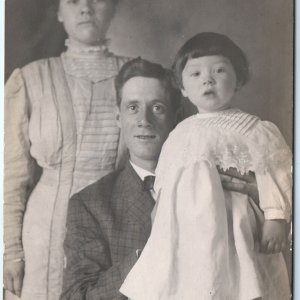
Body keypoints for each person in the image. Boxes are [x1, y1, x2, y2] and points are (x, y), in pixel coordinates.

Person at [61, 57, 261, 300]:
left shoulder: (224, 179)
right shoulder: (90, 204)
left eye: (157, 107)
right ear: (118, 118)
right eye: (132, 107)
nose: (144, 120)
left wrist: (265, 207)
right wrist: (152, 247)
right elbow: (77, 297)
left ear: (176, 118)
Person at [120, 32, 292, 300]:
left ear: (239, 80)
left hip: (234, 226)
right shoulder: (179, 133)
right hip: (186, 229)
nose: (208, 79)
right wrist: (158, 214)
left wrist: (276, 217)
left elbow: (275, 170)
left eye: (220, 70)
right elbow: (165, 176)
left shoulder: (253, 128)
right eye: (196, 74)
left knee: (240, 281)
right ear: (184, 89)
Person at [4, 0, 129, 299]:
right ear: (59, 12)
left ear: (113, 8)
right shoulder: (31, 78)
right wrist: (10, 252)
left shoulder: (139, 77)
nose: (85, 8)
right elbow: (10, 177)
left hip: (116, 229)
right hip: (43, 234)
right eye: (73, 1)